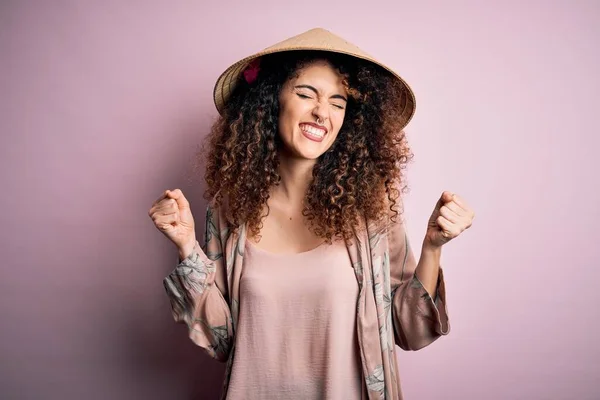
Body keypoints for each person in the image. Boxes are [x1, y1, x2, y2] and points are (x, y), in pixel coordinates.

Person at [148, 28, 474, 400]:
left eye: (338, 102)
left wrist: (433, 246)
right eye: (306, 94)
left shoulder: (372, 211)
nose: (322, 111)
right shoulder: (230, 211)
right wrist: (187, 247)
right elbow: (220, 341)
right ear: (270, 101)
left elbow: (409, 331)